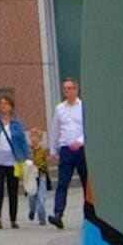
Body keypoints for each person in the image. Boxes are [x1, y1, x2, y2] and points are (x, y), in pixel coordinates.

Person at [0, 93, 31, 227]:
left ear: (11, 107)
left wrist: (28, 158)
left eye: (5, 103)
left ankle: (13, 218)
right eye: (0, 104)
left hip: (13, 162)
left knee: (13, 190)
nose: (3, 106)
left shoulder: (17, 123)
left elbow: (22, 142)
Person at [48, 78, 87, 228]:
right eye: (65, 88)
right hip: (66, 149)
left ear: (76, 90)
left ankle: (88, 217)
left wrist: (81, 141)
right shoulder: (60, 109)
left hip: (82, 149)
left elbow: (88, 127)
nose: (67, 91)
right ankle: (58, 213)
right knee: (63, 183)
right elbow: (55, 130)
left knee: (86, 183)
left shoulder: (83, 106)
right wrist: (53, 149)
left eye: (70, 88)